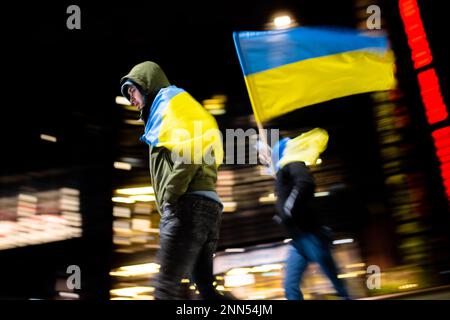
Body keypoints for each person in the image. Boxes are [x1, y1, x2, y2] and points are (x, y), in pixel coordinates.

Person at [120, 61, 228, 300]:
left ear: (147, 85)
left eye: (132, 90)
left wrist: (171, 193)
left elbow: (195, 145)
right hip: (204, 207)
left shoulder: (171, 104)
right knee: (206, 292)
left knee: (165, 288)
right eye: (127, 94)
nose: (130, 98)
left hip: (188, 207)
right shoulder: (166, 111)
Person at [269, 128, 350, 300]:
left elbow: (305, 183)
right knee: (290, 287)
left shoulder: (293, 163)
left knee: (335, 283)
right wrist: (282, 216)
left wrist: (289, 209)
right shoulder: (282, 171)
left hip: (310, 235)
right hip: (298, 240)